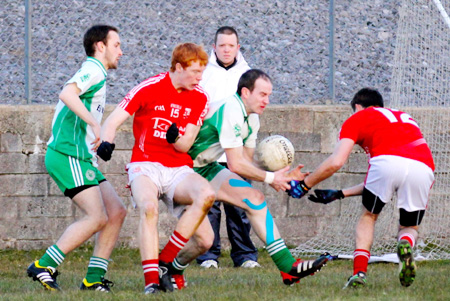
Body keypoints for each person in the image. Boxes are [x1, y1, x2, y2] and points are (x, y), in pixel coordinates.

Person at [164, 69, 331, 289]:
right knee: (205, 241)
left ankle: (288, 267)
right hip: (182, 170)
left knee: (255, 197)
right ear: (245, 92)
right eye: (262, 95)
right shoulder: (231, 108)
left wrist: (281, 175)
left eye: (269, 95)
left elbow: (246, 162)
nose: (267, 101)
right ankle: (169, 267)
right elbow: (235, 164)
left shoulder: (252, 118)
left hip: (206, 168)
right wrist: (271, 178)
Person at [98, 42, 216, 294]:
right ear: (178, 67)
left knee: (206, 237)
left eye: (202, 72)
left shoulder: (201, 97)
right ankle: (152, 281)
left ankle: (168, 263)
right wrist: (107, 141)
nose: (199, 78)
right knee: (149, 209)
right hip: (146, 166)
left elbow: (185, 146)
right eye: (195, 72)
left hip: (178, 169)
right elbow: (113, 119)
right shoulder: (150, 87)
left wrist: (175, 139)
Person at [287, 88, 435, 288]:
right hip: (423, 166)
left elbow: (336, 162)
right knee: (409, 227)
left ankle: (359, 273)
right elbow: (394, 171)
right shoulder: (404, 117)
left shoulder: (359, 117)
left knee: (368, 216)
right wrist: (340, 193)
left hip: (385, 162)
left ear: (357, 107)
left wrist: (304, 186)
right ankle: (406, 244)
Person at [26, 25, 127, 292]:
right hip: (66, 154)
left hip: (81, 157)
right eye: (116, 45)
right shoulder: (93, 69)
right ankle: (43, 265)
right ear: (100, 46)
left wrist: (99, 140)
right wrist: (94, 123)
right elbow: (67, 93)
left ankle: (93, 279)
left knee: (116, 211)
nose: (121, 51)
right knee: (96, 217)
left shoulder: (99, 73)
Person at [196, 26, 259, 269]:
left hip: (236, 151)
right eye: (221, 45)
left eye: (230, 45)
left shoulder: (248, 74)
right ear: (214, 47)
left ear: (237, 47)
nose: (226, 50)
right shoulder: (203, 73)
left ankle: (245, 256)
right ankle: (208, 256)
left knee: (239, 207)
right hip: (208, 152)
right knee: (208, 206)